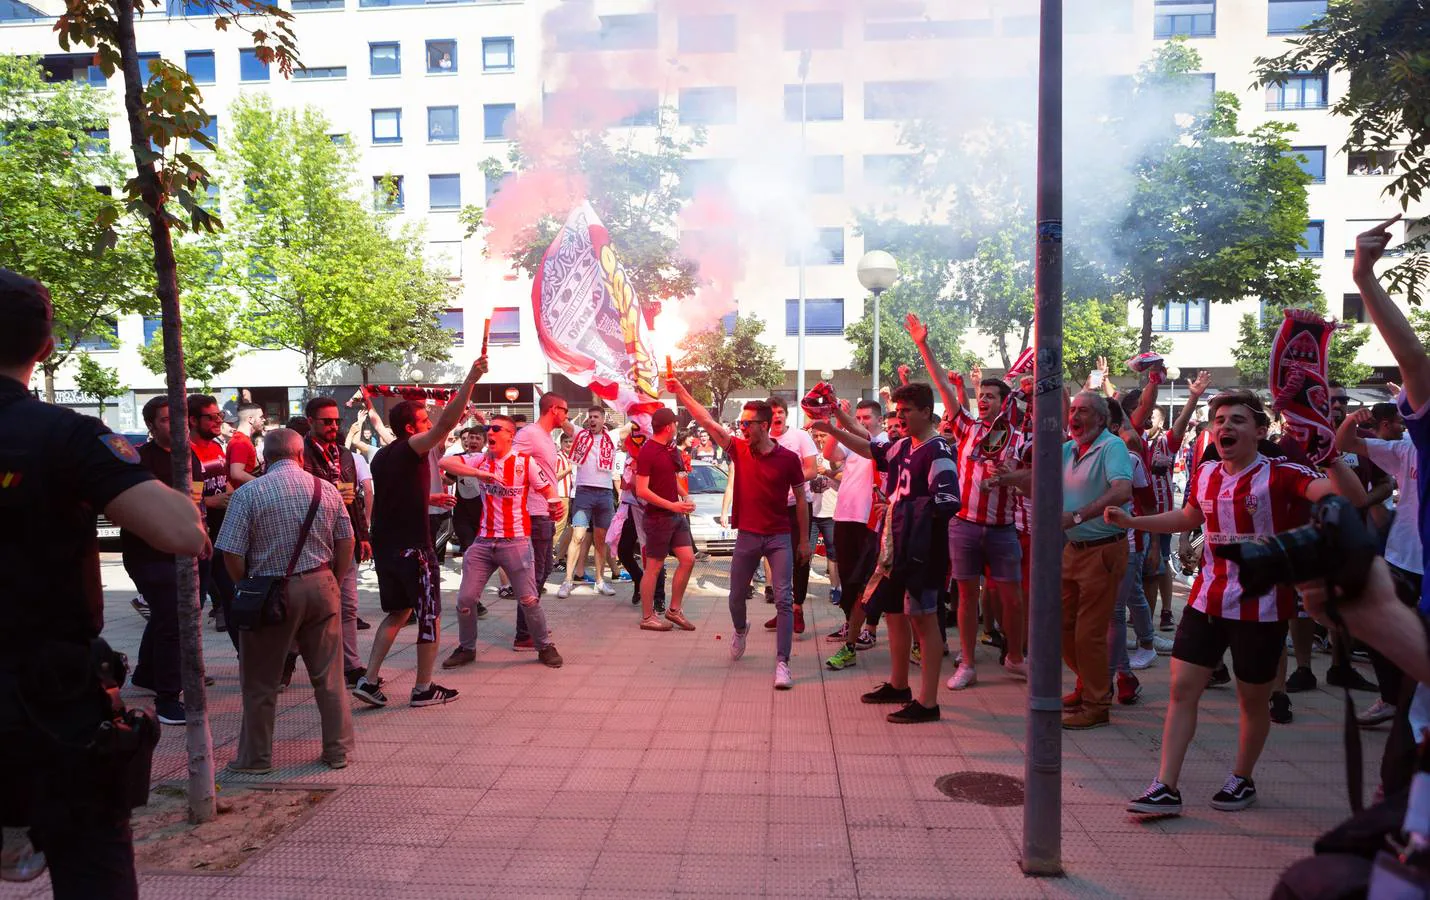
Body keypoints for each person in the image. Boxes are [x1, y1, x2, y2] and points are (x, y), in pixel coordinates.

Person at [0, 268, 210, 899]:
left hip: (41, 696)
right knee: (94, 873)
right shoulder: (62, 433)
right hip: (49, 707)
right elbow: (181, 532)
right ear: (46, 344)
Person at [1113, 390, 1361, 816]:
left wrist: (1332, 455)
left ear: (1260, 430)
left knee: (1251, 701)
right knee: (1181, 688)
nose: (1225, 426)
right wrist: (1133, 520)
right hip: (1206, 599)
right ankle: (1165, 786)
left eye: (1237, 420)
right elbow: (1190, 518)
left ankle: (1242, 778)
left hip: (1261, 606)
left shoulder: (1282, 473)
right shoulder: (1206, 470)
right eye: (1220, 419)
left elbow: (1350, 501)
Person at [813, 382, 959, 723]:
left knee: (923, 618)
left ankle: (928, 701)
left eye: (907, 411)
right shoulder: (904, 445)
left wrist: (908, 515)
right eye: (898, 410)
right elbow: (869, 450)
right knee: (894, 612)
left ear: (926, 411)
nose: (901, 417)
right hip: (894, 543)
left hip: (922, 548)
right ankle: (898, 684)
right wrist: (832, 427)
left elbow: (948, 500)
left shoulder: (938, 450)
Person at [216, 428, 355, 773]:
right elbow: (346, 541)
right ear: (300, 456)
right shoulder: (326, 489)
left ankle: (256, 759)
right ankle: (336, 752)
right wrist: (333, 580)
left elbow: (230, 552)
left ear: (265, 457)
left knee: (261, 681)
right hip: (322, 584)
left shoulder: (249, 493)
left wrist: (244, 586)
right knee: (329, 676)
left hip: (269, 591)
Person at [353, 356, 487, 708]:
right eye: (423, 422)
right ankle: (423, 687)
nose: (430, 426)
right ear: (411, 430)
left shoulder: (383, 456)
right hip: (413, 547)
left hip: (387, 547)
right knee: (429, 613)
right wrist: (470, 378)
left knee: (398, 612)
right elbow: (447, 423)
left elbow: (392, 497)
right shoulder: (412, 449)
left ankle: (368, 680)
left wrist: (429, 496)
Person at [671, 381, 809, 689]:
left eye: (747, 424)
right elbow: (706, 420)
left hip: (779, 537)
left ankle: (783, 663)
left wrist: (803, 541)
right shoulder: (739, 450)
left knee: (784, 600)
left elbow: (801, 499)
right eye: (741, 424)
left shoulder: (788, 459)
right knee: (735, 597)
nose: (742, 428)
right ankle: (740, 629)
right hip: (747, 534)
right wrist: (681, 391)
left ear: (763, 425)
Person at [442, 414, 566, 669]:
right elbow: (445, 462)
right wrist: (479, 473)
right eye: (488, 428)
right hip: (484, 543)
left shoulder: (525, 462)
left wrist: (555, 505)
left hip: (516, 541)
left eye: (496, 429)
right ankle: (467, 648)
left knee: (529, 599)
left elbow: (548, 490)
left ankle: (544, 645)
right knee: (465, 600)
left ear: (511, 435)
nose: (490, 432)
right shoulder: (481, 460)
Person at [1338, 402, 1424, 727]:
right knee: (1376, 625)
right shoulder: (1407, 450)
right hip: (1402, 557)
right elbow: (1345, 444)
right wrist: (1352, 419)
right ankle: (1390, 698)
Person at [1059, 391, 1133, 730]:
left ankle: (1097, 703)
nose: (1075, 416)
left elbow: (1122, 491)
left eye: (1084, 411)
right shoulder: (1067, 449)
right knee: (1061, 628)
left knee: (1088, 633)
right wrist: (1006, 479)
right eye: (1072, 409)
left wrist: (1077, 516)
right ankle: (1087, 684)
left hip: (1104, 549)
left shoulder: (1112, 446)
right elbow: (1039, 481)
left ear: (1101, 419)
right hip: (1073, 550)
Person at [122, 397, 189, 726]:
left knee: (165, 616)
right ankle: (167, 697)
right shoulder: (140, 460)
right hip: (149, 553)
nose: (176, 424)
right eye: (166, 419)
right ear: (151, 425)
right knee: (172, 621)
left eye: (179, 418)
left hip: (183, 551)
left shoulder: (187, 457)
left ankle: (146, 673)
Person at [303, 396, 373, 688]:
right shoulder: (300, 454)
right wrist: (331, 493)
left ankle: (351, 665)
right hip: (312, 543)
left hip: (345, 540)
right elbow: (299, 496)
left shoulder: (345, 455)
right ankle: (290, 657)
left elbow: (355, 499)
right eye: (326, 421)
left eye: (336, 421)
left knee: (348, 607)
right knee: (310, 611)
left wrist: (363, 535)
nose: (333, 426)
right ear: (310, 422)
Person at [823, 400, 888, 671]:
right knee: (848, 579)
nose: (861, 421)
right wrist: (835, 424)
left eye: (866, 417)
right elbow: (830, 453)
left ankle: (868, 628)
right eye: (858, 417)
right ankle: (851, 626)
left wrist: (840, 416)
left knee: (867, 581)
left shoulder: (882, 440)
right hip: (844, 515)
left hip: (868, 519)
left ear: (880, 420)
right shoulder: (853, 440)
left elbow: (864, 437)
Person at [512, 393, 571, 648]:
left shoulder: (546, 437)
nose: (567, 417)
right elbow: (509, 461)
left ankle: (529, 625)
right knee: (533, 575)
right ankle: (524, 633)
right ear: (554, 409)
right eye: (565, 410)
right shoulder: (528, 434)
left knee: (545, 569)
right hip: (533, 512)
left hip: (546, 511)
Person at [634, 407, 698, 632]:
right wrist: (673, 504)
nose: (677, 428)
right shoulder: (648, 451)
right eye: (675, 424)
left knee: (688, 559)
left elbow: (671, 479)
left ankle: (674, 610)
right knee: (653, 568)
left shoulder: (670, 449)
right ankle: (647, 616)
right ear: (669, 426)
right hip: (658, 518)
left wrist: (685, 496)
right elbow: (641, 490)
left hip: (675, 514)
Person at [761, 396, 819, 635]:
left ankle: (797, 608)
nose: (776, 416)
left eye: (780, 412)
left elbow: (812, 469)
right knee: (776, 560)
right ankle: (783, 608)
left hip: (798, 505)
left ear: (786, 414)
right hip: (772, 508)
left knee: (800, 557)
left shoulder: (800, 437)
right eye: (772, 412)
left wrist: (789, 479)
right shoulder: (763, 440)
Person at [190, 393, 238, 650]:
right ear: (192, 420)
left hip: (223, 533)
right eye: (212, 417)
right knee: (194, 603)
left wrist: (231, 494)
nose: (218, 421)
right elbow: (183, 496)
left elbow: (222, 482)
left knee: (233, 598)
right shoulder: (186, 452)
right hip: (200, 534)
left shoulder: (217, 447)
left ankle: (247, 661)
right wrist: (211, 503)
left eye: (219, 416)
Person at [558, 407, 620, 597]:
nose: (592, 420)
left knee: (601, 541)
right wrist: (550, 402)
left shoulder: (613, 436)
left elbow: (634, 424)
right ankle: (568, 581)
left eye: (596, 417)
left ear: (603, 419)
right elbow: (562, 422)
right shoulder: (580, 434)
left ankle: (600, 581)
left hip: (605, 493)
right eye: (590, 417)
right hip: (584, 492)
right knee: (578, 536)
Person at [227, 401, 264, 486]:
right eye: (261, 417)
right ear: (250, 419)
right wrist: (262, 484)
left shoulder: (243, 439)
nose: (264, 420)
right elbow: (236, 474)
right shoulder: (240, 442)